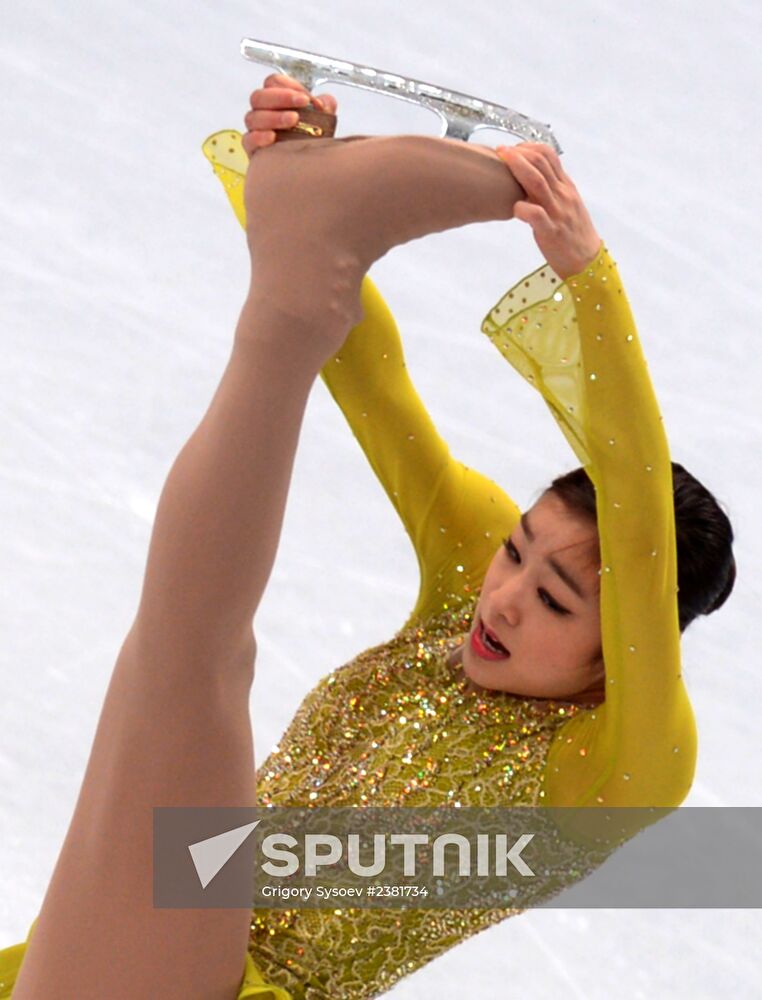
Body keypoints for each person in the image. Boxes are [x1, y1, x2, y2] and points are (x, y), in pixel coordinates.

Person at [0, 74, 735, 999]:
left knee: (191, 659)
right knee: (181, 663)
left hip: (223, 974)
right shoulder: (466, 590)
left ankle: (298, 280)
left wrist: (593, 283)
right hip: (160, 918)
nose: (504, 597)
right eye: (515, 551)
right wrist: (301, 202)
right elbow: (377, 387)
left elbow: (640, 528)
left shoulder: (616, 770)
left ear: (623, 642)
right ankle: (302, 269)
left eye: (554, 602)